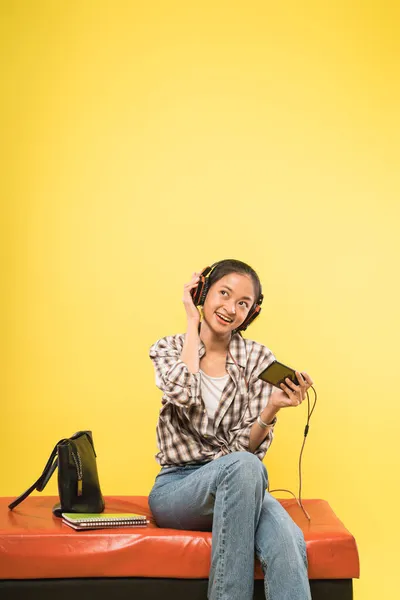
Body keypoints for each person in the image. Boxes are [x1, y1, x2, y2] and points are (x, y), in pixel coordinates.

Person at [148, 259, 314, 600]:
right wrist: (192, 322)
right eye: (223, 294)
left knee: (286, 539)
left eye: (243, 304)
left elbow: (244, 452)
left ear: (251, 313)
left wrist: (272, 407)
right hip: (179, 488)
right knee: (246, 467)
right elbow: (183, 392)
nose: (230, 309)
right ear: (203, 292)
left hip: (241, 484)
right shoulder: (167, 348)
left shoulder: (256, 359)